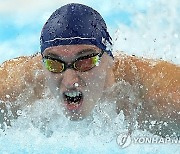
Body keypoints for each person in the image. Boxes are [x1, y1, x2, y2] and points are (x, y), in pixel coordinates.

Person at [0, 3, 179, 138]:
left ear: (110, 59)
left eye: (85, 62)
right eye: (55, 64)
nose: (70, 81)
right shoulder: (15, 89)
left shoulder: (162, 95)